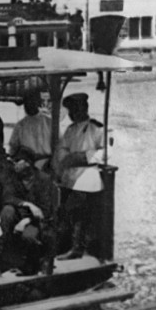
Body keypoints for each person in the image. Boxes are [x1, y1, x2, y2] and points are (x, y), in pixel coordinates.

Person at [53, 93, 106, 260]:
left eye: (75, 109)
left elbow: (106, 152)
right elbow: (62, 150)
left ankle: (77, 247)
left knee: (76, 210)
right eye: (70, 110)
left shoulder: (96, 128)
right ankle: (66, 245)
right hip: (69, 176)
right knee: (63, 210)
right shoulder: (70, 130)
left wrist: (85, 157)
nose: (71, 113)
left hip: (87, 176)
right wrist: (65, 158)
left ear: (84, 108)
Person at [0, 147, 57, 275]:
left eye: (17, 161)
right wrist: (27, 204)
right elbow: (7, 197)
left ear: (28, 163)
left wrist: (26, 221)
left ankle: (36, 263)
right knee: (7, 212)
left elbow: (46, 210)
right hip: (20, 216)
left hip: (37, 222)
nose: (14, 164)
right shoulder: (13, 177)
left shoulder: (43, 179)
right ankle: (4, 260)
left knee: (29, 235)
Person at [8, 88, 51, 168]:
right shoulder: (20, 125)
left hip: (44, 165)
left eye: (31, 102)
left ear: (38, 104)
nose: (28, 105)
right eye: (26, 103)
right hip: (29, 166)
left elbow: (13, 150)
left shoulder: (49, 123)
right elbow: (13, 148)